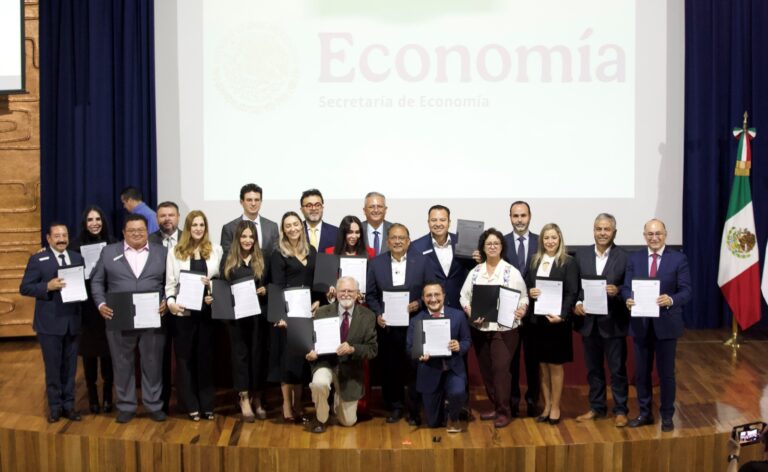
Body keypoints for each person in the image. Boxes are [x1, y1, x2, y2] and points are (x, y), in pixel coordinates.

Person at [91, 214, 168, 424]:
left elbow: (170, 281)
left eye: (141, 230)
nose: (137, 234)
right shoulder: (109, 252)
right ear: (124, 233)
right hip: (119, 315)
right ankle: (126, 406)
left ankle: (154, 405)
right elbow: (97, 281)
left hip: (152, 315)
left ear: (147, 231)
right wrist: (101, 304)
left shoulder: (162, 252)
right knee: (122, 362)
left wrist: (166, 300)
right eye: (132, 230)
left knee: (152, 362)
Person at [621, 219, 692, 432]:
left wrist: (670, 300)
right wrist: (627, 298)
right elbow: (626, 287)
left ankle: (667, 415)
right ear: (644, 236)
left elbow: (687, 291)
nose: (654, 238)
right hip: (641, 324)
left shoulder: (678, 259)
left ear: (665, 234)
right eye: (650, 234)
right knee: (642, 373)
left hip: (667, 325)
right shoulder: (634, 258)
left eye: (658, 233)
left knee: (666, 374)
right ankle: (645, 413)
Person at [460, 228, 528, 429]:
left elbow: (524, 297)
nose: (492, 247)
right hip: (480, 328)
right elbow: (463, 296)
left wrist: (522, 309)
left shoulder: (511, 272)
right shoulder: (475, 272)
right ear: (483, 247)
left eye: (496, 243)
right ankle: (496, 406)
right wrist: (470, 310)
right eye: (488, 243)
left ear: (501, 247)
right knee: (487, 370)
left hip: (505, 330)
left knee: (500, 370)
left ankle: (504, 411)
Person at [20, 222, 84, 423]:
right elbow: (25, 288)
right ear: (48, 238)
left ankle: (69, 406)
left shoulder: (77, 257)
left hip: (73, 322)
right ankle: (55, 407)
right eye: (57, 236)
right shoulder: (38, 259)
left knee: (71, 368)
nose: (61, 239)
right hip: (49, 324)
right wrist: (47, 286)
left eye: (64, 235)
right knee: (53, 368)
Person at [366, 223, 427, 424]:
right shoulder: (376, 263)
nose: (398, 241)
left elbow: (432, 289)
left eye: (402, 238)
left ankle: (414, 408)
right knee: (391, 367)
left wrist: (419, 303)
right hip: (388, 326)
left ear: (408, 241)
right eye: (394, 238)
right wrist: (378, 314)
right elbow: (371, 294)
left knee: (414, 367)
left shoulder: (422, 262)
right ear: (387, 241)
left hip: (414, 323)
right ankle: (395, 405)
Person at [573, 213, 630, 427]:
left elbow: (629, 286)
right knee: (593, 369)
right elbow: (576, 287)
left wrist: (619, 290)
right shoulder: (582, 255)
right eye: (599, 229)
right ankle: (597, 407)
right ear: (594, 231)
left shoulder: (624, 257)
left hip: (613, 323)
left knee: (617, 369)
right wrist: (577, 303)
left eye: (607, 229)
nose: (602, 233)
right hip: (589, 323)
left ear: (614, 232)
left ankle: (621, 410)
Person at [165, 210, 223, 421]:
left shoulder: (216, 250)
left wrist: (212, 289)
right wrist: (171, 304)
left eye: (202, 225)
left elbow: (221, 280)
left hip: (207, 314)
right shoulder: (175, 252)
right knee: (185, 360)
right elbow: (170, 285)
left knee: (205, 359)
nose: (198, 228)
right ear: (188, 228)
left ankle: (207, 405)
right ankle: (190, 404)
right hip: (184, 314)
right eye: (194, 225)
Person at [306, 276, 378, 433]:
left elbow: (372, 349)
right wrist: (310, 352)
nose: (346, 294)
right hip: (325, 363)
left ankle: (337, 401)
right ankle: (321, 417)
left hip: (350, 370)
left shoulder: (368, 316)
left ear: (357, 294)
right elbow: (312, 342)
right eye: (342, 291)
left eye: (350, 291)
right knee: (319, 384)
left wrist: (353, 349)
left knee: (348, 422)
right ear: (336, 293)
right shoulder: (322, 312)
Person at [525, 223, 579, 425]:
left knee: (555, 366)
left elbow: (572, 292)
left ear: (560, 239)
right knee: (542, 365)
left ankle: (555, 406)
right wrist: (530, 291)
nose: (550, 241)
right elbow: (527, 284)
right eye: (546, 238)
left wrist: (562, 315)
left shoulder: (568, 262)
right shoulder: (534, 260)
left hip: (557, 323)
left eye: (553, 238)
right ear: (541, 240)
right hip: (537, 322)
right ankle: (546, 406)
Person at [269, 211, 321, 423]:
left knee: (301, 360)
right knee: (286, 361)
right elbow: (277, 286)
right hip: (287, 316)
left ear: (302, 226)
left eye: (296, 224)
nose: (293, 229)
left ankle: (299, 404)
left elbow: (317, 282)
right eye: (288, 226)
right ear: (283, 230)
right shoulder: (278, 254)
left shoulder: (312, 251)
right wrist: (281, 315)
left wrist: (318, 301)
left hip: (307, 315)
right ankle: (286, 405)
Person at [220, 220, 270, 422]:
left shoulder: (262, 258)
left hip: (258, 317)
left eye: (251, 236)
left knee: (258, 356)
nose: (247, 240)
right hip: (237, 319)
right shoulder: (229, 259)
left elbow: (271, 283)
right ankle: (243, 397)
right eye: (244, 236)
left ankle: (257, 397)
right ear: (237, 238)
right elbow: (222, 286)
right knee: (240, 357)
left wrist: (265, 289)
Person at [407, 281, 471, 432]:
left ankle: (453, 417)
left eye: (437, 294)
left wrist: (459, 346)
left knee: (457, 392)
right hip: (429, 371)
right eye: (429, 295)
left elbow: (467, 340)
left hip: (453, 369)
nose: (433, 299)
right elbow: (409, 348)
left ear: (444, 295)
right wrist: (419, 355)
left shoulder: (458, 316)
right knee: (433, 423)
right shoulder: (416, 321)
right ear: (423, 298)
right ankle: (444, 409)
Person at [70, 206, 116, 414]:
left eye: (98, 219)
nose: (95, 223)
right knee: (89, 355)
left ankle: (107, 396)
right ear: (84, 223)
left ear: (103, 221)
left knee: (108, 354)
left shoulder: (113, 243)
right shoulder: (74, 246)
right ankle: (92, 397)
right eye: (90, 220)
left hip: (109, 305)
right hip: (86, 308)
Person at [502, 201, 541, 418]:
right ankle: (513, 402)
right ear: (510, 217)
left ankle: (533, 401)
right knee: (511, 361)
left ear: (530, 216)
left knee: (533, 361)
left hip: (536, 311)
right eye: (515, 216)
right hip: (509, 312)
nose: (519, 220)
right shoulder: (501, 242)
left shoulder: (541, 242)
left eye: (523, 215)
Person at [147, 200, 180, 414]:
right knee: (161, 358)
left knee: (184, 357)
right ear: (157, 219)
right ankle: (163, 402)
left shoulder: (190, 237)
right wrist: (163, 300)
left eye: (171, 215)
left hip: (185, 306)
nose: (167, 219)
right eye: (162, 215)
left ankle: (186, 400)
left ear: (178, 217)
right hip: (158, 309)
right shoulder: (148, 241)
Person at [409, 205, 473, 310]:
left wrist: (479, 259)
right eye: (434, 220)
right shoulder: (416, 247)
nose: (438, 224)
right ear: (428, 222)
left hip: (459, 307)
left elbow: (473, 269)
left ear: (449, 222)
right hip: (429, 307)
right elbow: (413, 279)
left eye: (442, 220)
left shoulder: (462, 242)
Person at [221, 183, 279, 257]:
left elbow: (276, 255)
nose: (253, 203)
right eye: (249, 200)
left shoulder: (272, 227)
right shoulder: (229, 228)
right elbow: (227, 257)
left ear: (261, 202)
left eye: (257, 200)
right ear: (241, 202)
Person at [300, 189, 338, 253]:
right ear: (302, 210)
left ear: (322, 208)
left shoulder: (336, 232)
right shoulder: (295, 231)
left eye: (317, 205)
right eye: (309, 205)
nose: (314, 208)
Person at [361, 192, 392, 256]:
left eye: (380, 206)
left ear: (385, 210)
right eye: (371, 207)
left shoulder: (394, 230)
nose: (376, 210)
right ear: (364, 210)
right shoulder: (356, 230)